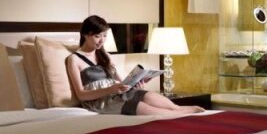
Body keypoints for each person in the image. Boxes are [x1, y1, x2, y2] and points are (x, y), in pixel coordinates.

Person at [66, 15, 204, 115]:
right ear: (85, 34)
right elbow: (81, 95)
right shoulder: (74, 59)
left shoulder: (105, 55)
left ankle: (178, 109)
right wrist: (110, 89)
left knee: (148, 95)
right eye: (97, 36)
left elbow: (121, 83)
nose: (102, 40)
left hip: (117, 94)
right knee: (140, 106)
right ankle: (181, 114)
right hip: (101, 102)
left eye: (105, 36)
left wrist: (135, 84)